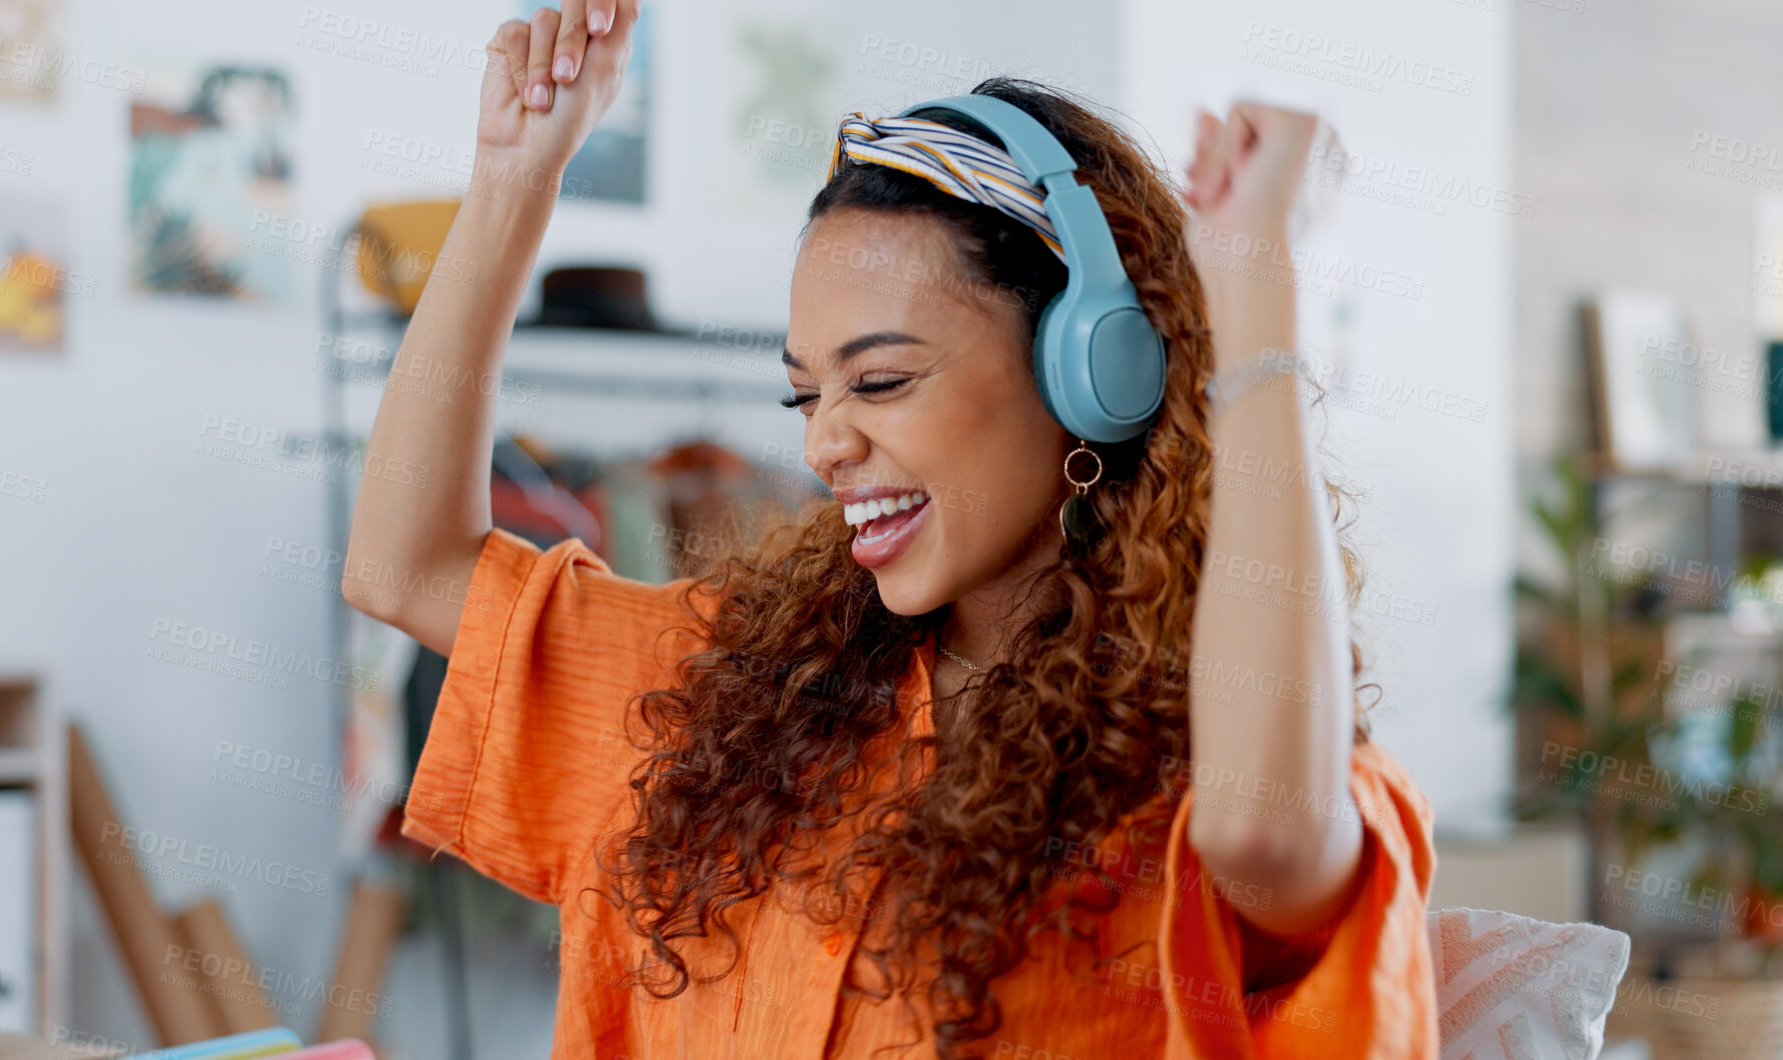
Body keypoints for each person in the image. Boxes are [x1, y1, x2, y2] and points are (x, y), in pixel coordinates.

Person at [342, 2, 1438, 1057]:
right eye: (804, 396)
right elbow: (407, 566)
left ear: (1095, 373)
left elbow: (1266, 833)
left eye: (879, 380)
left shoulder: (1216, 760)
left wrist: (1256, 309)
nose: (824, 445)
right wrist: (512, 181)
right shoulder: (726, 694)